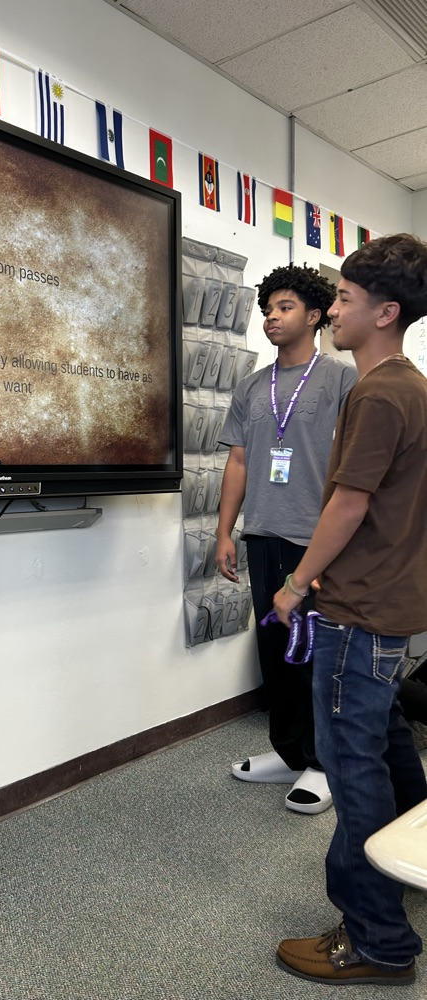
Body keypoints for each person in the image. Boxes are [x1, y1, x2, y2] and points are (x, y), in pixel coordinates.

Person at [273, 233, 427, 986]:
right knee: (392, 746)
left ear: (386, 312)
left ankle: (378, 939)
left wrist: (297, 584)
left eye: (343, 300)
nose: (333, 310)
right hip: (393, 610)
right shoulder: (416, 388)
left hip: (356, 612)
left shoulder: (379, 391)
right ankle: (411, 869)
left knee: (352, 768)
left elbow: (349, 505)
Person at [217, 264, 357, 814]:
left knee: (318, 655)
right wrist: (225, 531)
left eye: (285, 308)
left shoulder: (343, 378)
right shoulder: (252, 386)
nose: (272, 318)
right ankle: (289, 750)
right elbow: (238, 460)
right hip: (265, 535)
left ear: (316, 314)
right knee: (276, 649)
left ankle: (323, 763)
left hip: (317, 540)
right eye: (268, 309)